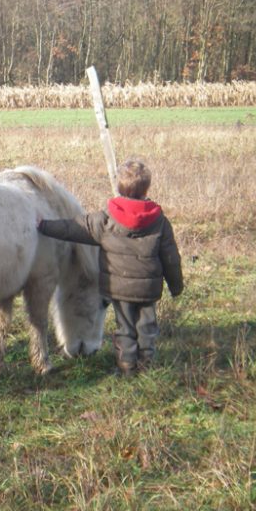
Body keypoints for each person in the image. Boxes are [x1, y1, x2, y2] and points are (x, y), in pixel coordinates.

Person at [37, 159, 183, 376]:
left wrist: (44, 225)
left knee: (125, 329)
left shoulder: (105, 220)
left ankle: (126, 367)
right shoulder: (159, 220)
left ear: (120, 188)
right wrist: (176, 285)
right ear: (146, 189)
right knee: (147, 327)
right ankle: (146, 365)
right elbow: (171, 257)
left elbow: (73, 228)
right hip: (148, 289)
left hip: (119, 288)